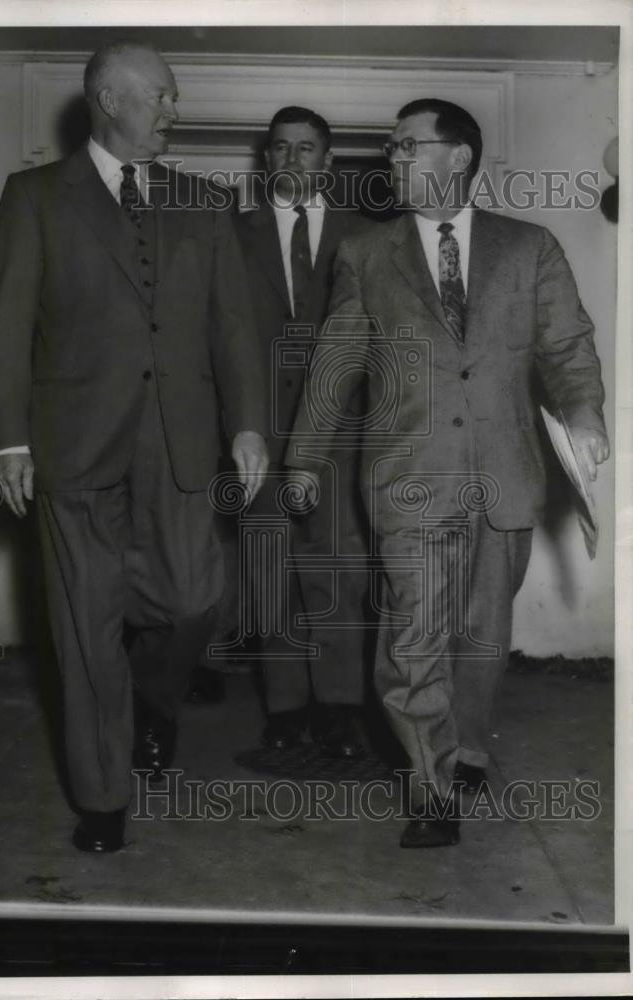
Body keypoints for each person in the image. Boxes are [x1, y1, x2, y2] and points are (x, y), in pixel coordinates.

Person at [286, 98, 608, 846]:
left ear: (457, 157)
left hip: (504, 477)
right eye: (392, 148)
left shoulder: (529, 248)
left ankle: (462, 745)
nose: (391, 158)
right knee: (409, 645)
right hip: (408, 479)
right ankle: (429, 788)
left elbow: (566, 346)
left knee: (479, 638)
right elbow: (334, 366)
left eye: (406, 146)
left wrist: (584, 411)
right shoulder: (367, 253)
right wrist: (301, 458)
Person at [0, 42, 268, 853]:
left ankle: (154, 698)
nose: (175, 111)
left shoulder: (202, 203)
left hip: (179, 444)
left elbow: (234, 327)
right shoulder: (34, 196)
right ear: (110, 98)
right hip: (72, 448)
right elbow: (2, 327)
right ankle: (103, 798)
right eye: (163, 98)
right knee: (84, 627)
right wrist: (6, 439)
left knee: (192, 601)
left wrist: (247, 422)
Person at [234, 106, 373, 758]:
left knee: (335, 570)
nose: (292, 160)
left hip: (341, 434)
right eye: (281, 149)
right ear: (266, 161)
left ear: (327, 161)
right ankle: (285, 709)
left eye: (306, 148)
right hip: (256, 436)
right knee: (270, 570)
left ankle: (338, 708)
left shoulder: (366, 237)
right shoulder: (230, 236)